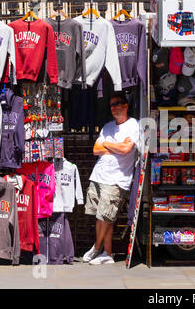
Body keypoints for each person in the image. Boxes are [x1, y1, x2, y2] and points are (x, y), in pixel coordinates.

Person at [82, 94, 140, 265]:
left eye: (117, 104)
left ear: (126, 105)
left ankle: (96, 246)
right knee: (102, 217)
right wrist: (116, 146)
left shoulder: (133, 125)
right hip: (99, 175)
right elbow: (95, 149)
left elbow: (126, 149)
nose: (113, 108)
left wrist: (107, 144)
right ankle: (108, 253)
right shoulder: (107, 127)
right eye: (111, 105)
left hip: (116, 179)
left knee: (105, 217)